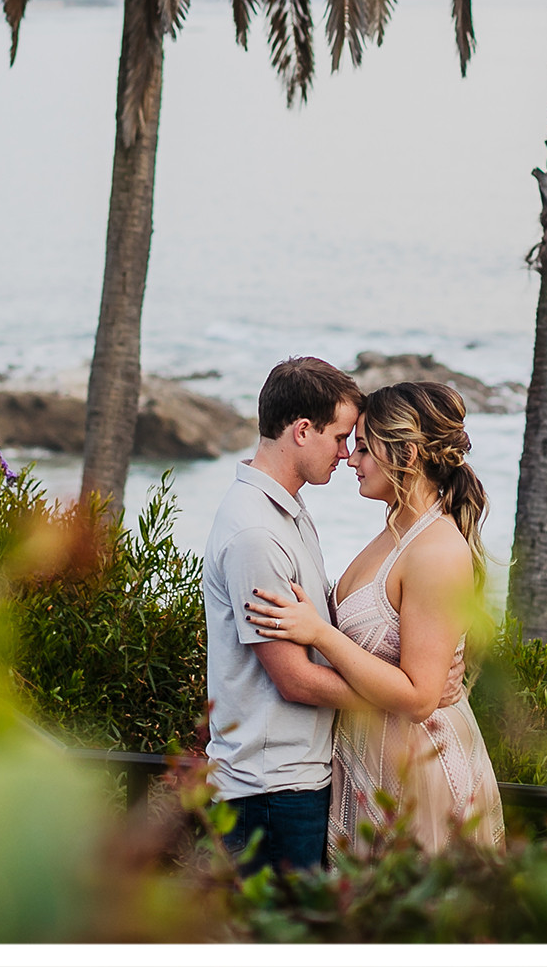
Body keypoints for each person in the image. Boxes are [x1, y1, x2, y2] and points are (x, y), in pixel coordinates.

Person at [247, 380, 505, 854]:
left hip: (422, 783)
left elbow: (419, 696)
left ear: (405, 455)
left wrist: (321, 635)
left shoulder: (437, 551)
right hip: (371, 776)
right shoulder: (392, 530)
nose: (350, 460)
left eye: (363, 448)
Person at [200, 355, 365, 876]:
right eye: (340, 437)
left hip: (287, 784)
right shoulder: (257, 534)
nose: (346, 453)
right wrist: (398, 695)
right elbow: (294, 679)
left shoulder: (284, 510)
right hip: (269, 791)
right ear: (301, 431)